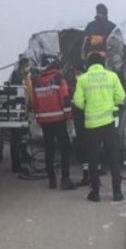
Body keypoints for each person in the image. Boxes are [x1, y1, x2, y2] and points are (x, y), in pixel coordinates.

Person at [72, 53, 126, 202]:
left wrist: (88, 107)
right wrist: (112, 107)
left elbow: (78, 101)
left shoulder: (83, 79)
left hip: (92, 125)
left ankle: (95, 193)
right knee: (114, 157)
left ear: (89, 64)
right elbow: (121, 97)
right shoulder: (112, 76)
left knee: (93, 159)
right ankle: (117, 192)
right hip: (109, 123)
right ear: (103, 63)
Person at [30, 55, 77, 190]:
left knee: (49, 150)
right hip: (60, 120)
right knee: (64, 150)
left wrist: (39, 118)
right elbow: (65, 98)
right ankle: (65, 179)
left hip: (45, 122)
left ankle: (51, 180)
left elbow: (35, 104)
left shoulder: (38, 82)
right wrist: (69, 116)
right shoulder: (58, 79)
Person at [7, 56, 31, 173]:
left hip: (20, 109)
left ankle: (19, 161)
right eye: (27, 65)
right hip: (17, 110)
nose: (28, 68)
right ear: (23, 65)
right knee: (16, 138)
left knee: (20, 137)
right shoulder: (17, 75)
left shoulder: (22, 75)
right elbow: (19, 92)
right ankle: (16, 165)